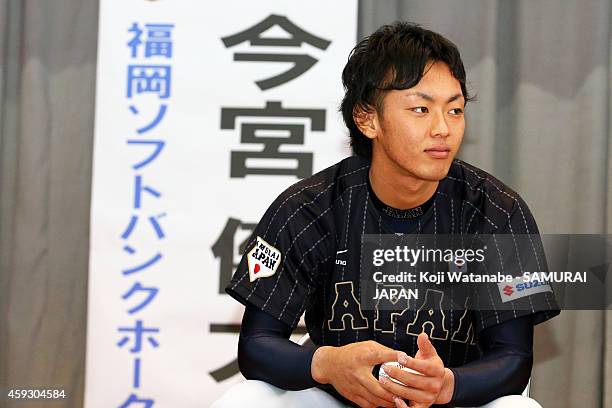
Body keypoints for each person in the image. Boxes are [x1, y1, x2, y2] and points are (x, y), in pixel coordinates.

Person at [213, 22, 560, 408]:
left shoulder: (496, 213)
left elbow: (514, 357)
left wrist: (447, 385)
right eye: (420, 109)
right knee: (245, 401)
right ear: (368, 119)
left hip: (453, 398)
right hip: (340, 398)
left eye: (455, 109)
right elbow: (256, 346)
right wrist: (326, 363)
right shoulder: (309, 209)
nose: (443, 128)